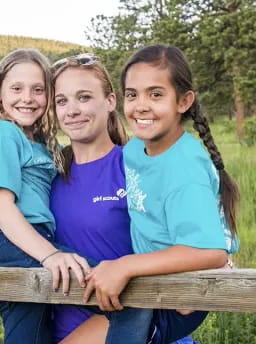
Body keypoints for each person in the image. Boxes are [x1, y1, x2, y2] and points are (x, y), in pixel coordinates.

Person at [0, 48, 152, 344]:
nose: (27, 98)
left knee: (30, 332)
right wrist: (51, 254)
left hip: (31, 243)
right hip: (12, 242)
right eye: (16, 88)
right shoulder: (2, 133)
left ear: (110, 102)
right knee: (124, 299)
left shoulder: (45, 151)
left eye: (38, 90)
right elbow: (1, 209)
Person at [78, 45, 239, 340]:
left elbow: (210, 251)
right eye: (132, 94)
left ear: (184, 101)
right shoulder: (138, 148)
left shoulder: (185, 167)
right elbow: (100, 154)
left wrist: (125, 265)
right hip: (151, 281)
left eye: (155, 94)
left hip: (178, 292)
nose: (140, 105)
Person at [50, 53, 212, 344]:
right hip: (66, 328)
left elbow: (200, 239)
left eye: (84, 97)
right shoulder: (47, 175)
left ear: (111, 101)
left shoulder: (140, 164)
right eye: (62, 101)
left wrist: (218, 261)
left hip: (140, 326)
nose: (72, 110)